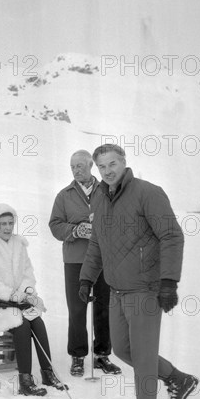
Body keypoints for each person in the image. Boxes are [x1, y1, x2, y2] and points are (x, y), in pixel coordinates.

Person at [79, 144, 199, 399]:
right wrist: (86, 278)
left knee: (143, 355)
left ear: (123, 162)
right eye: (102, 167)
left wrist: (169, 281)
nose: (108, 171)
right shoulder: (99, 198)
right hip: (117, 290)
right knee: (122, 349)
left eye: (112, 164)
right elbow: (97, 243)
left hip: (146, 289)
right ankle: (177, 379)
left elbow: (172, 235)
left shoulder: (147, 192)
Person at [0, 203, 66, 396]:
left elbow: (27, 273)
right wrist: (10, 295)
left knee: (37, 322)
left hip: (18, 300)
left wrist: (25, 293)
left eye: (10, 223)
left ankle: (47, 372)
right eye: (2, 223)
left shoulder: (19, 244)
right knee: (21, 325)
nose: (7, 227)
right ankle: (25, 380)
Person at [49, 149, 121, 377]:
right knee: (77, 309)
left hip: (103, 260)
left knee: (103, 308)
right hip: (75, 261)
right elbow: (55, 225)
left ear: (91, 166)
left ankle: (102, 355)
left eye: (79, 166)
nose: (75, 170)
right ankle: (78, 356)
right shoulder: (64, 195)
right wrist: (76, 230)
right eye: (72, 166)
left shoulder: (108, 191)